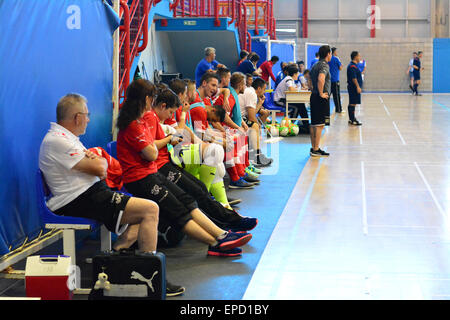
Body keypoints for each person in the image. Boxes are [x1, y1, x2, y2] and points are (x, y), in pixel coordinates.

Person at [38, 93, 184, 296]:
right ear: (77, 117)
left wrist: (97, 160)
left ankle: (118, 256)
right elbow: (100, 169)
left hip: (91, 193)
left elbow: (99, 164)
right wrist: (97, 160)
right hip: (76, 200)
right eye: (87, 115)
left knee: (143, 212)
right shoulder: (58, 140)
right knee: (150, 209)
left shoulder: (69, 138)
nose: (88, 120)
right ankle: (153, 274)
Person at [116, 79, 252, 257]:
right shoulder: (138, 122)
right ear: (147, 99)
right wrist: (169, 138)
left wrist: (169, 137)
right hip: (146, 175)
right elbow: (152, 153)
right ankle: (217, 239)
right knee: (179, 209)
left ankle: (221, 232)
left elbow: (167, 139)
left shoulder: (144, 120)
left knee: (190, 198)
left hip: (154, 171)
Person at [146, 87, 258, 233]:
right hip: (170, 159)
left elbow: (184, 132)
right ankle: (223, 218)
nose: (188, 96)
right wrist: (173, 135)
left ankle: (223, 209)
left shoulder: (156, 117)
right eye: (186, 92)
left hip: (168, 159)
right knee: (212, 156)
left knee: (207, 180)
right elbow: (175, 135)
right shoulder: (154, 117)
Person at [238, 76, 273, 166]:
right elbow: (251, 117)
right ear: (259, 88)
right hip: (238, 119)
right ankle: (257, 157)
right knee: (254, 126)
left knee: (255, 125)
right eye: (264, 89)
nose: (264, 92)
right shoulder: (252, 94)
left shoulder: (251, 91)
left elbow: (252, 113)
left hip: (241, 117)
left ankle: (255, 154)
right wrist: (259, 127)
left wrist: (260, 103)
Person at [309, 45, 332, 157]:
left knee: (314, 124)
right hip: (320, 98)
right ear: (328, 54)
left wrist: (313, 88)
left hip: (314, 96)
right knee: (320, 125)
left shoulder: (315, 64)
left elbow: (309, 78)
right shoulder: (324, 65)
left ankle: (314, 147)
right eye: (330, 53)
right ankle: (316, 149)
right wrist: (321, 92)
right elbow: (321, 78)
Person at [273, 63, 310, 130]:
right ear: (294, 74)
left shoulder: (290, 79)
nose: (298, 75)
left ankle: (306, 124)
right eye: (297, 73)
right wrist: (298, 89)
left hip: (284, 99)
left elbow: (294, 88)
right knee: (296, 107)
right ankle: (289, 125)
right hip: (279, 100)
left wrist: (299, 89)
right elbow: (291, 89)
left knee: (301, 104)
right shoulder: (288, 79)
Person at [347, 51, 363, 126]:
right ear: (355, 57)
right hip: (353, 88)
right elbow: (354, 78)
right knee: (352, 103)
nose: (360, 57)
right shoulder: (352, 66)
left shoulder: (354, 66)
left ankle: (351, 118)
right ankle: (352, 119)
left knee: (352, 103)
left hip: (353, 88)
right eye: (359, 56)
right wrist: (358, 87)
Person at [328, 47, 344, 113]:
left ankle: (326, 110)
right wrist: (341, 65)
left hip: (328, 81)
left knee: (327, 96)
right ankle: (339, 109)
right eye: (336, 51)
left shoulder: (327, 59)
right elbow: (340, 68)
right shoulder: (336, 59)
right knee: (336, 96)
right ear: (334, 52)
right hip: (335, 80)